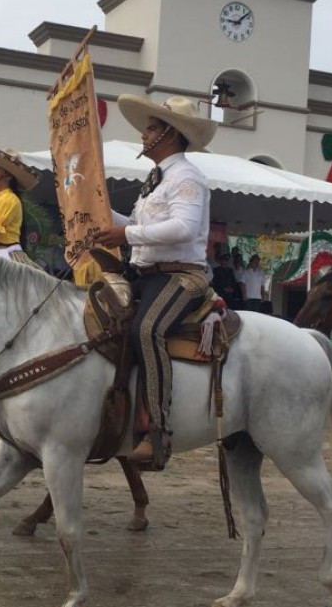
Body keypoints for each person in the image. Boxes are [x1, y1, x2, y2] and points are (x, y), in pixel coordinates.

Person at [93, 94, 218, 469]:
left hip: (182, 276)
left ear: (170, 133)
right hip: (145, 275)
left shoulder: (187, 177)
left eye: (150, 128)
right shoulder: (156, 179)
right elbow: (134, 224)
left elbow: (183, 228)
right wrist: (98, 211)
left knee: (146, 330)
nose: (143, 134)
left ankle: (158, 431)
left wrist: (125, 235)